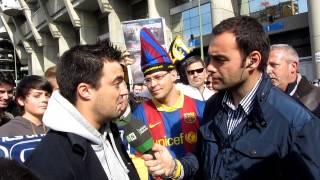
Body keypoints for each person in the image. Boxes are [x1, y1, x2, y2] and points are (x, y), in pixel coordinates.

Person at [142, 16, 320, 179]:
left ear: (253, 60)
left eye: (220, 59)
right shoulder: (212, 106)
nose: (209, 68)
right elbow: (202, 157)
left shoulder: (297, 123)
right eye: (210, 58)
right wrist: (176, 167)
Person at [24, 42, 139, 180]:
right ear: (85, 91)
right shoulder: (47, 164)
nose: (124, 91)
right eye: (117, 83)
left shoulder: (110, 133)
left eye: (124, 83)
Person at [131, 27, 205, 159]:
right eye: (148, 80)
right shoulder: (140, 114)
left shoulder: (200, 108)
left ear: (173, 75)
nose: (153, 84)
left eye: (158, 77)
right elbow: (137, 158)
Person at [267, 44, 320, 117]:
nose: (267, 71)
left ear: (293, 67)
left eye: (273, 65)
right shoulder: (264, 97)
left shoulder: (317, 98)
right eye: (265, 66)